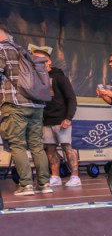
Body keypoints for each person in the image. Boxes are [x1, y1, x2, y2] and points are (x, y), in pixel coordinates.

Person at [0, 24, 51, 196]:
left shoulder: (2, 49)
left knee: (17, 144)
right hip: (36, 105)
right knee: (37, 145)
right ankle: (44, 184)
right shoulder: (22, 49)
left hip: (15, 104)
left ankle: (26, 185)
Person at [32, 50, 80, 187]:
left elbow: (72, 99)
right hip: (46, 120)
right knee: (50, 150)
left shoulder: (59, 77)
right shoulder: (37, 78)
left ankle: (75, 176)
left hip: (61, 120)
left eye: (41, 59)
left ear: (49, 61)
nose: (38, 62)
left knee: (67, 147)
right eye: (35, 59)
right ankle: (55, 176)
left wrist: (68, 118)